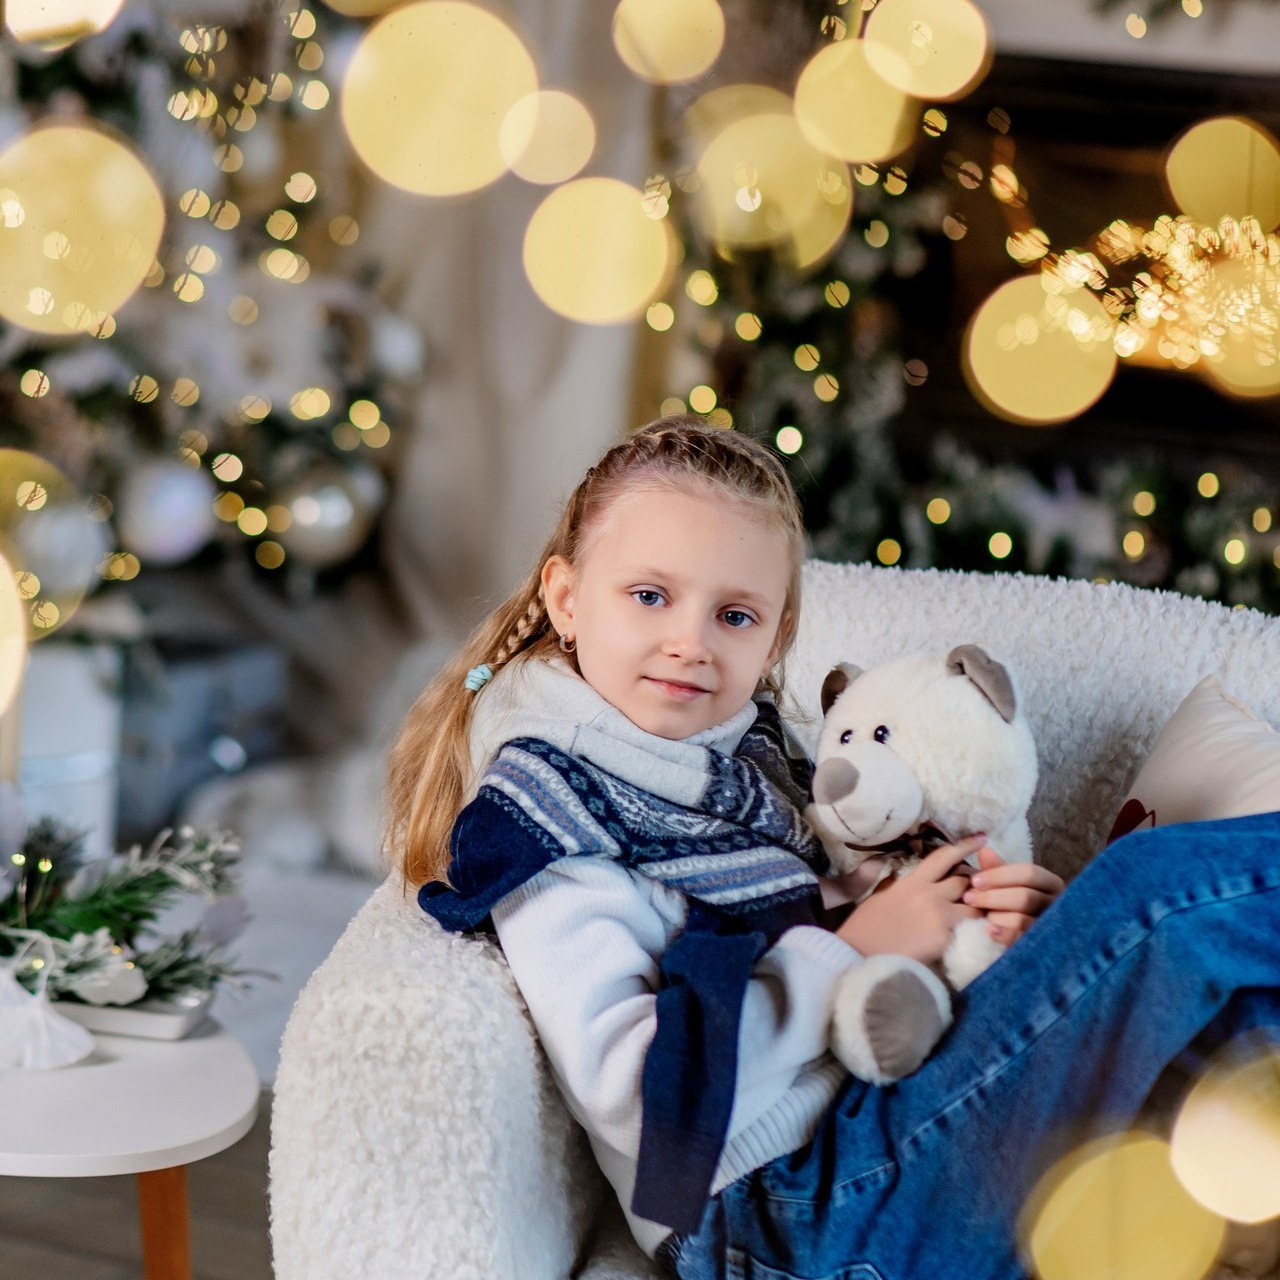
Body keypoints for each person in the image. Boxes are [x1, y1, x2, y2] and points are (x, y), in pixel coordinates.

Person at [388, 416, 1280, 1280]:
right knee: (1149, 899)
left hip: (873, 1123)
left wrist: (1000, 929)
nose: (689, 642)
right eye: (650, 595)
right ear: (567, 598)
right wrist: (853, 947)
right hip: (781, 1219)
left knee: (1233, 1029)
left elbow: (800, 913)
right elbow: (633, 1093)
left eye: (735, 616)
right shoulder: (551, 824)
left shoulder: (750, 755)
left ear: (776, 635)